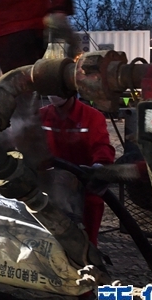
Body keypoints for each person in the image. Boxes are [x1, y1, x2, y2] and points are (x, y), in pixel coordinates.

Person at [38, 94, 115, 245]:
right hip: (49, 189)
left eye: (57, 89)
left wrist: (99, 167)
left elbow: (101, 147)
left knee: (85, 243)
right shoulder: (41, 115)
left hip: (84, 190)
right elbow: (27, 141)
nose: (53, 94)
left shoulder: (92, 117)